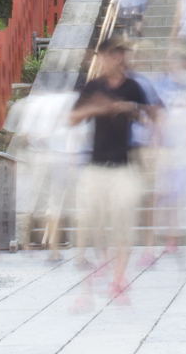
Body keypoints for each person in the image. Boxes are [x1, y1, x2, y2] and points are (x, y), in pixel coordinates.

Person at [71, 38, 153, 301]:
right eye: (109, 55)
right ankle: (104, 260)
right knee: (93, 217)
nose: (114, 59)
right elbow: (71, 119)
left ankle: (119, 277)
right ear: (103, 57)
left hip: (123, 164)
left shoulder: (133, 87)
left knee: (124, 220)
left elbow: (152, 115)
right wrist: (97, 108)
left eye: (119, 55)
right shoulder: (93, 86)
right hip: (95, 164)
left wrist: (132, 108)